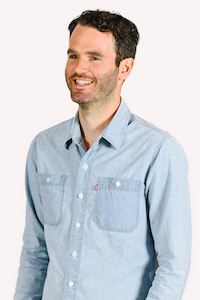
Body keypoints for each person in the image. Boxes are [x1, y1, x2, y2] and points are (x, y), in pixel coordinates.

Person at [14, 10, 191, 300]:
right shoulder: (43, 147)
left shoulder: (158, 151)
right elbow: (35, 253)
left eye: (94, 57)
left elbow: (173, 265)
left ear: (125, 68)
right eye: (73, 56)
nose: (79, 68)